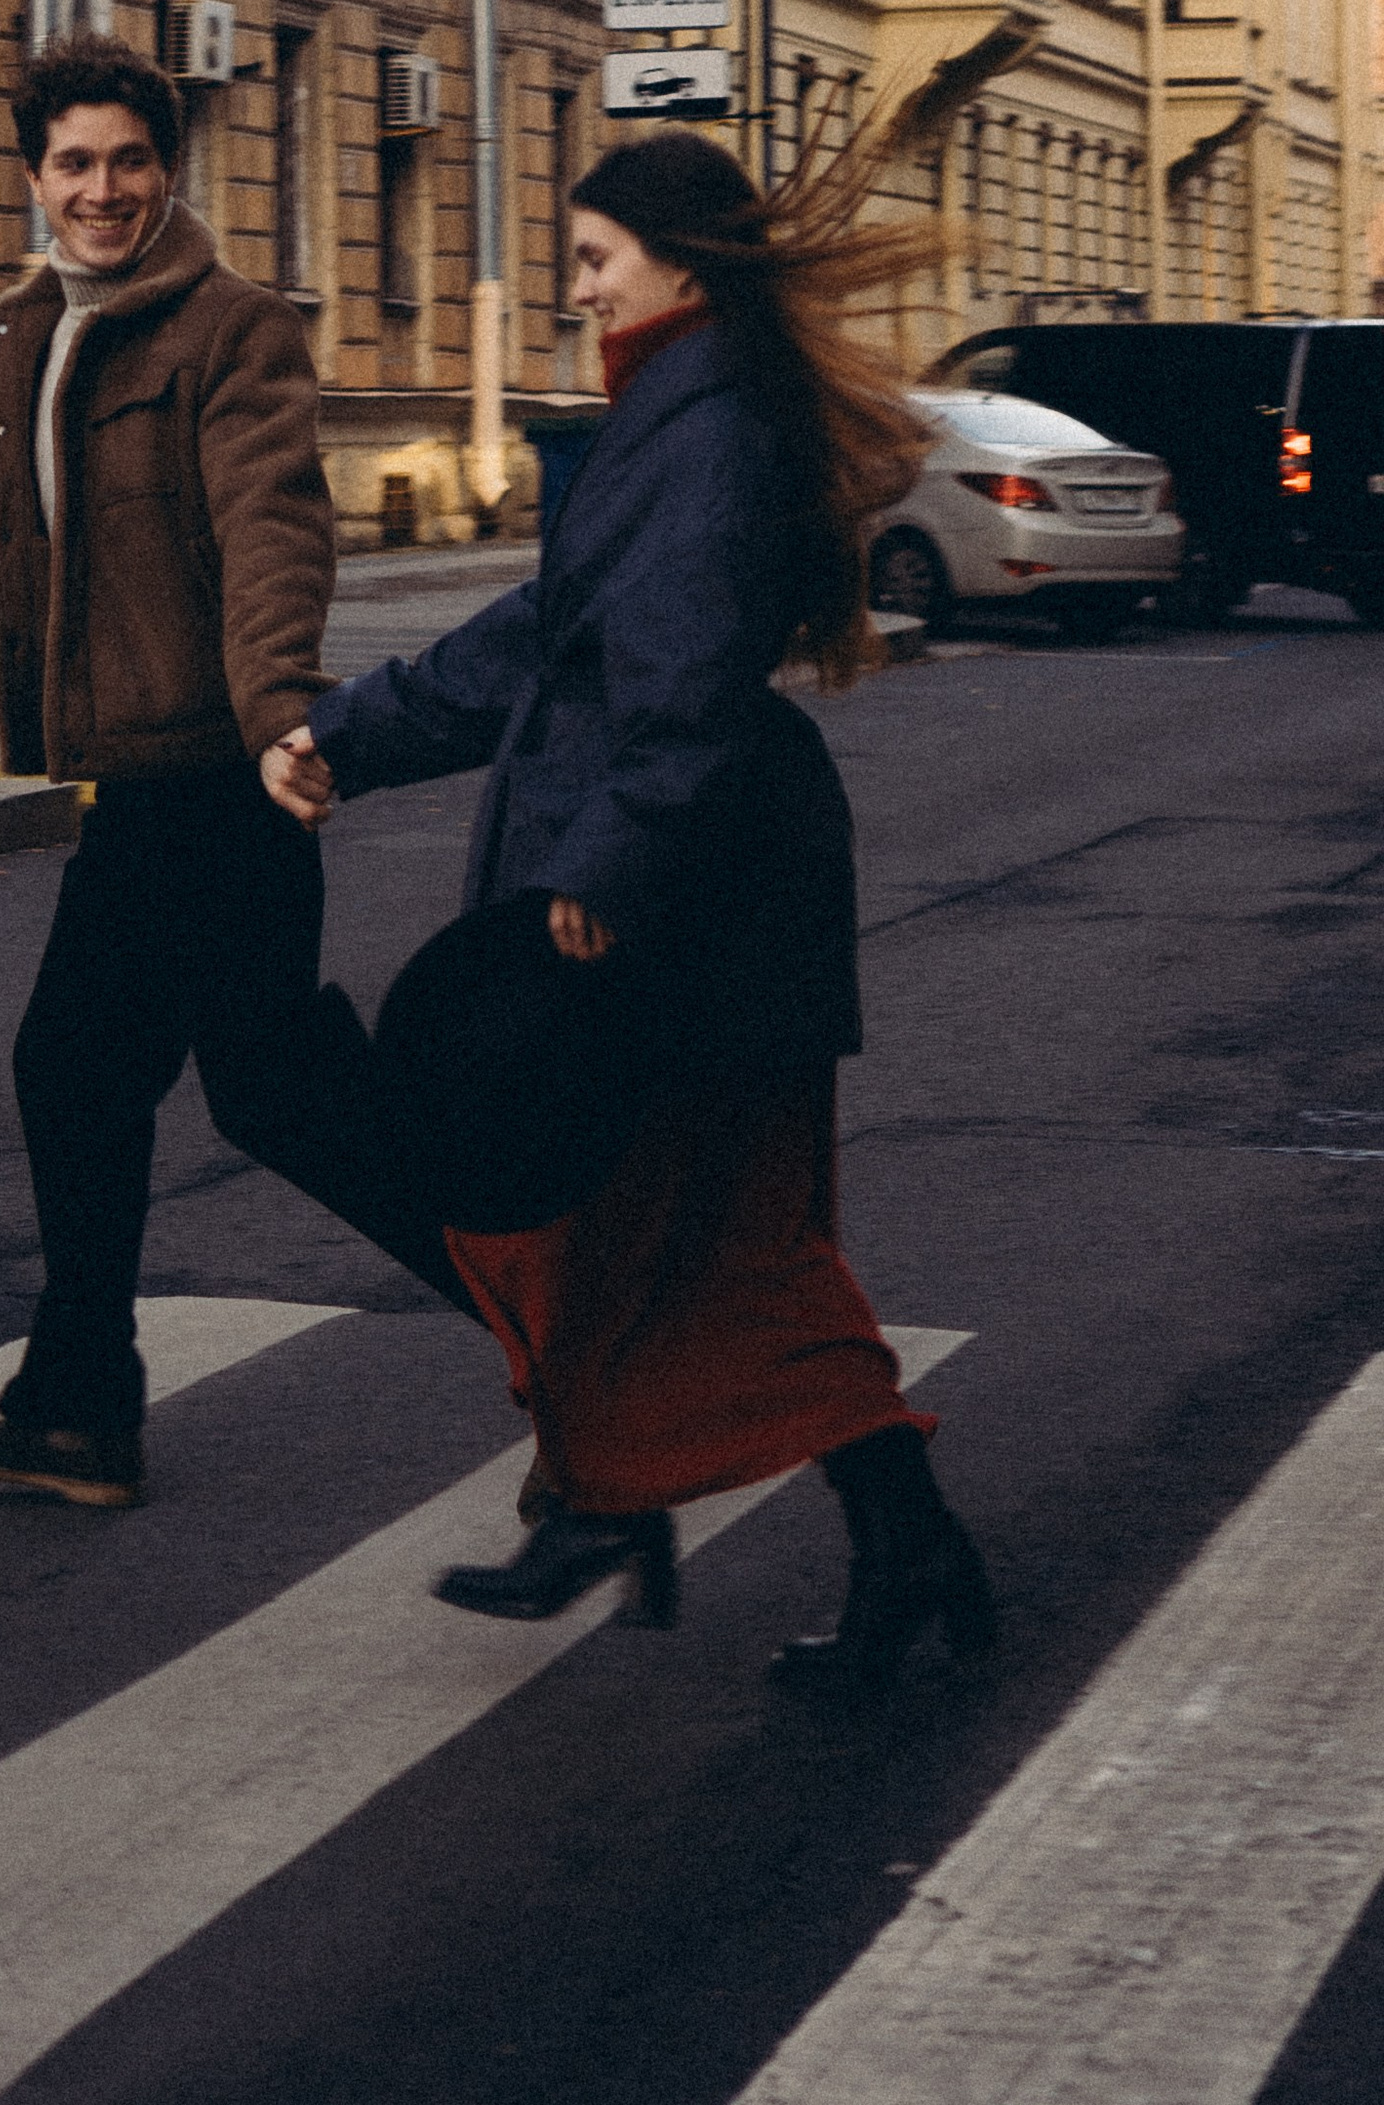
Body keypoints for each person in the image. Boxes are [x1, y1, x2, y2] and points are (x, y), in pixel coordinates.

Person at [262, 126, 995, 1689]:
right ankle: (689, 1517)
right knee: (645, 1238)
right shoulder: (676, 414)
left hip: (693, 908)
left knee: (693, 1242)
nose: (578, 292)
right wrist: (354, 731)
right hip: (700, 889)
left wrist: (607, 867)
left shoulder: (706, 430)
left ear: (677, 262)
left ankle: (749, 1524)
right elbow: (547, 637)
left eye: (595, 261)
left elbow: (689, 677)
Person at [0, 43, 460, 1515]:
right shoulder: (23, 331)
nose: (103, 190)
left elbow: (273, 525)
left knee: (260, 1096)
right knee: (143, 1079)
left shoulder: (231, 332)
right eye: (75, 164)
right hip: (138, 781)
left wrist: (284, 709)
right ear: (34, 177)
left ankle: (583, 1331)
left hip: (219, 772)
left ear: (170, 171)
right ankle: (78, 1402)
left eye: (130, 162)